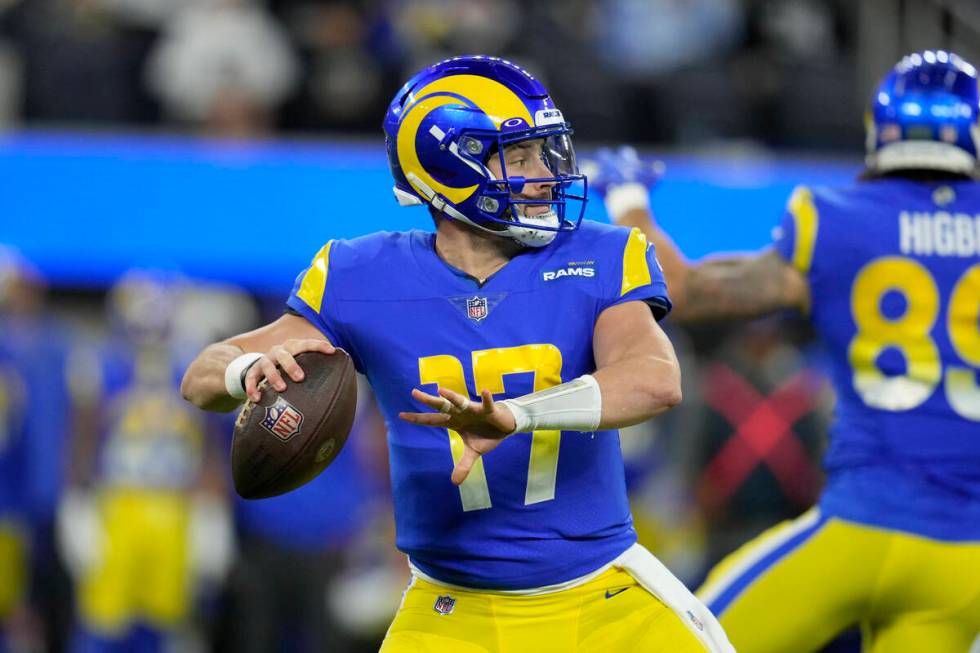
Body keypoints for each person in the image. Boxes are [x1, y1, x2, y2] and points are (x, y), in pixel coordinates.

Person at [182, 55, 734, 653]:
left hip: (604, 597)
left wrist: (519, 414)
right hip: (452, 610)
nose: (547, 174)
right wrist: (246, 370)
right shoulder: (358, 274)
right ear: (449, 167)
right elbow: (200, 377)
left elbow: (656, 379)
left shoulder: (601, 253)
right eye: (520, 156)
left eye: (546, 152)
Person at [589, 50, 980, 653]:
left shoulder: (837, 218)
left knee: (681, 641)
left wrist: (628, 199)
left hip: (863, 527)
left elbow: (680, 289)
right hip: (963, 562)